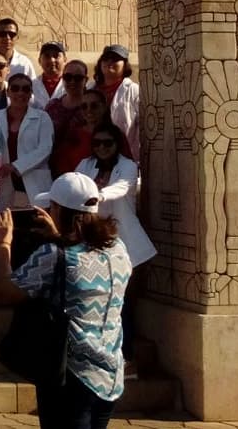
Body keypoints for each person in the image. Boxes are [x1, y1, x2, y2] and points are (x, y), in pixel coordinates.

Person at [0, 173, 131, 429]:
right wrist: (57, 235)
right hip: (109, 375)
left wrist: (3, 242)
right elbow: (82, 259)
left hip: (70, 375)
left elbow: (4, 292)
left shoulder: (54, 255)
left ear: (59, 210)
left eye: (52, 206)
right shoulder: (118, 248)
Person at [76, 122, 156, 376]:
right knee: (99, 305)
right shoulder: (85, 166)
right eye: (97, 143)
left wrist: (98, 195)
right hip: (96, 246)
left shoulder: (128, 167)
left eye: (107, 143)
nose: (101, 148)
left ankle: (127, 358)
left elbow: (122, 188)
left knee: (122, 306)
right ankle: (100, 360)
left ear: (117, 144)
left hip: (127, 247)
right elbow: (73, 185)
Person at [0, 74, 53, 208]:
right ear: (8, 92)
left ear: (31, 93)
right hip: (3, 182)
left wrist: (15, 166)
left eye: (26, 89)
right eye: (15, 88)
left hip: (34, 183)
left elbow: (45, 149)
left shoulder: (42, 117)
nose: (20, 93)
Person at [93, 44, 140, 162]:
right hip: (94, 152)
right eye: (106, 59)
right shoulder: (91, 89)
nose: (110, 62)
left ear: (125, 64)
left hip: (125, 154)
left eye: (115, 59)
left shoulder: (133, 90)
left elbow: (141, 127)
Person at [45, 60, 89, 147]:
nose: (72, 81)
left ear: (86, 80)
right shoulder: (52, 106)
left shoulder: (92, 106)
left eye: (78, 78)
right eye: (68, 77)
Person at [32, 41, 67, 109]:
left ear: (65, 60)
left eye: (56, 56)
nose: (52, 60)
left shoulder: (72, 85)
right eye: (47, 56)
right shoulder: (31, 86)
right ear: (39, 61)